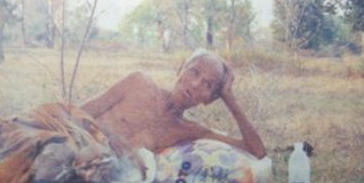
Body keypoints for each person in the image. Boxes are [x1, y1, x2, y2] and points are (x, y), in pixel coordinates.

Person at [81, 50, 266, 159]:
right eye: (193, 72)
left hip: (101, 181)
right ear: (180, 70)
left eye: (207, 85)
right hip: (73, 146)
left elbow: (256, 151)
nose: (195, 84)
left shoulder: (188, 131)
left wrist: (229, 98)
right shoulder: (138, 83)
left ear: (209, 99)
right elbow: (84, 111)